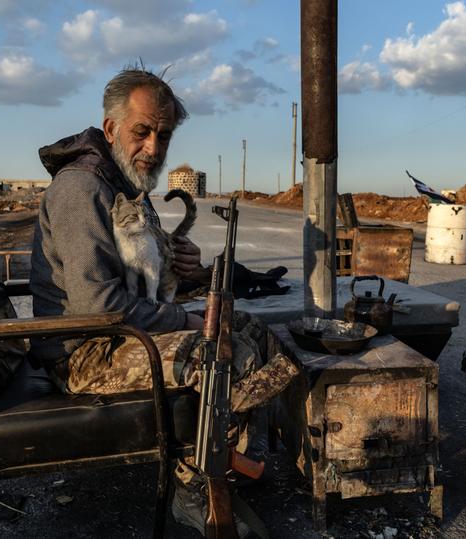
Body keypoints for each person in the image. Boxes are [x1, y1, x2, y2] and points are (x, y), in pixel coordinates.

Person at [29, 66, 297, 535]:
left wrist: (185, 269)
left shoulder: (124, 184)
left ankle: (225, 455)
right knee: (220, 353)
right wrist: (186, 320)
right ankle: (193, 486)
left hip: (120, 332)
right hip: (85, 352)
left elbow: (140, 275)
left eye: (164, 134)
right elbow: (98, 306)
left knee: (249, 325)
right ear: (112, 128)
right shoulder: (82, 188)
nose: (154, 147)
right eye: (143, 131)